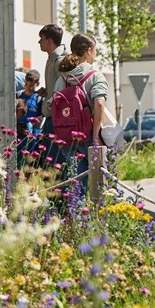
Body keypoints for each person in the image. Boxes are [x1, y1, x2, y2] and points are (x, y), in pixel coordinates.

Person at [53, 33, 108, 192]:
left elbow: (52, 105)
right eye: (95, 49)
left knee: (77, 182)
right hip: (88, 135)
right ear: (89, 51)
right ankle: (96, 215)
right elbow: (99, 103)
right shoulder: (94, 76)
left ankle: (78, 213)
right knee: (99, 182)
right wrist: (96, 136)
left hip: (66, 137)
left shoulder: (62, 78)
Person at [37, 24, 66, 166]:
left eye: (41, 39)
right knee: (50, 160)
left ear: (49, 41)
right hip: (51, 116)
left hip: (57, 118)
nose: (39, 42)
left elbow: (65, 90)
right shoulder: (51, 59)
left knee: (55, 162)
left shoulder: (60, 61)